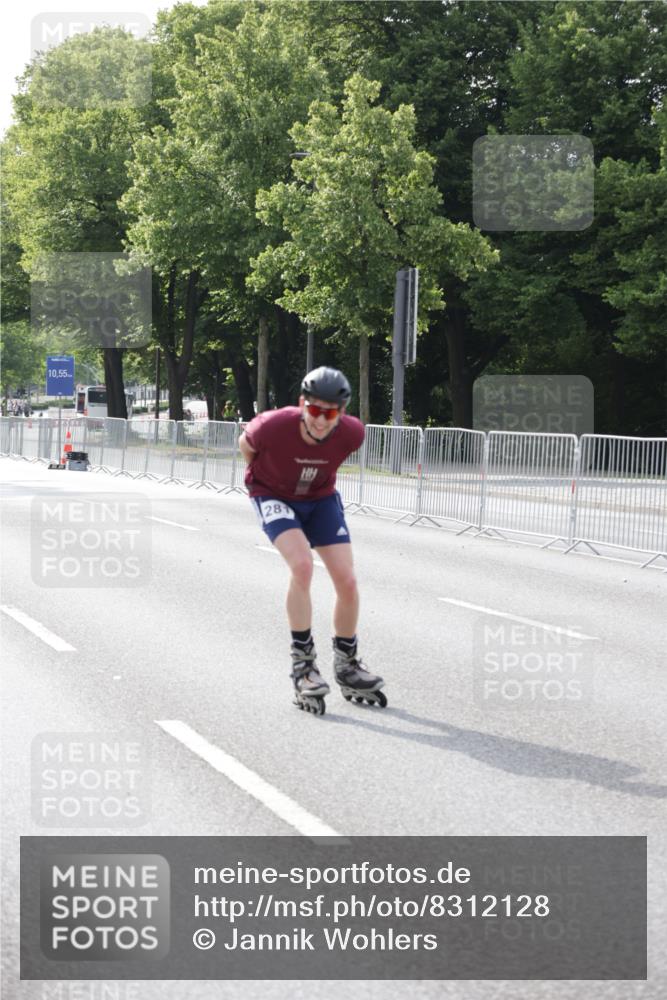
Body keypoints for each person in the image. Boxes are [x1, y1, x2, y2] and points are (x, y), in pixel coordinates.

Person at [238, 366, 384, 706]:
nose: (320, 420)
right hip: (272, 494)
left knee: (347, 581)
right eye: (314, 410)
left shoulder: (352, 433)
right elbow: (246, 445)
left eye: (329, 413)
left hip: (319, 499)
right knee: (302, 566)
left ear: (341, 413)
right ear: (302, 404)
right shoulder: (272, 425)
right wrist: (265, 478)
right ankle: (303, 665)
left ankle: (347, 664)